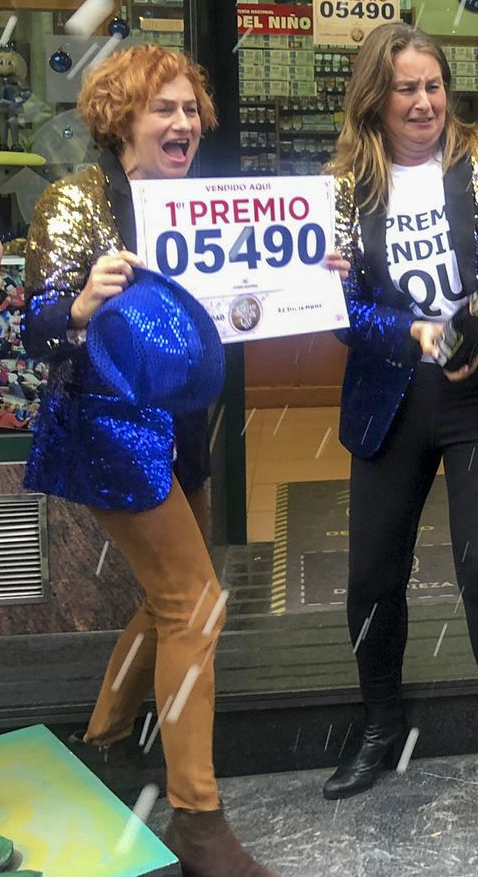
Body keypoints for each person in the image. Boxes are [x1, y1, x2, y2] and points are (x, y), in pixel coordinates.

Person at [23, 44, 302, 876]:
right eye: (163, 110)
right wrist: (77, 301)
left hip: (181, 429)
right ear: (121, 121)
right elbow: (36, 325)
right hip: (108, 429)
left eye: (189, 110)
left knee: (167, 599)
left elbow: (258, 291)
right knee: (198, 605)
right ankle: (198, 818)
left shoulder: (200, 206)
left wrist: (308, 271)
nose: (181, 124)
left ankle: (106, 745)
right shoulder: (76, 204)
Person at [324, 22, 478, 863]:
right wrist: (418, 335)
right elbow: (341, 315)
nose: (425, 102)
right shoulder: (344, 188)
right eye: (406, 88)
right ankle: (381, 722)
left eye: (434, 85)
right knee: (370, 578)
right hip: (395, 392)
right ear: (376, 98)